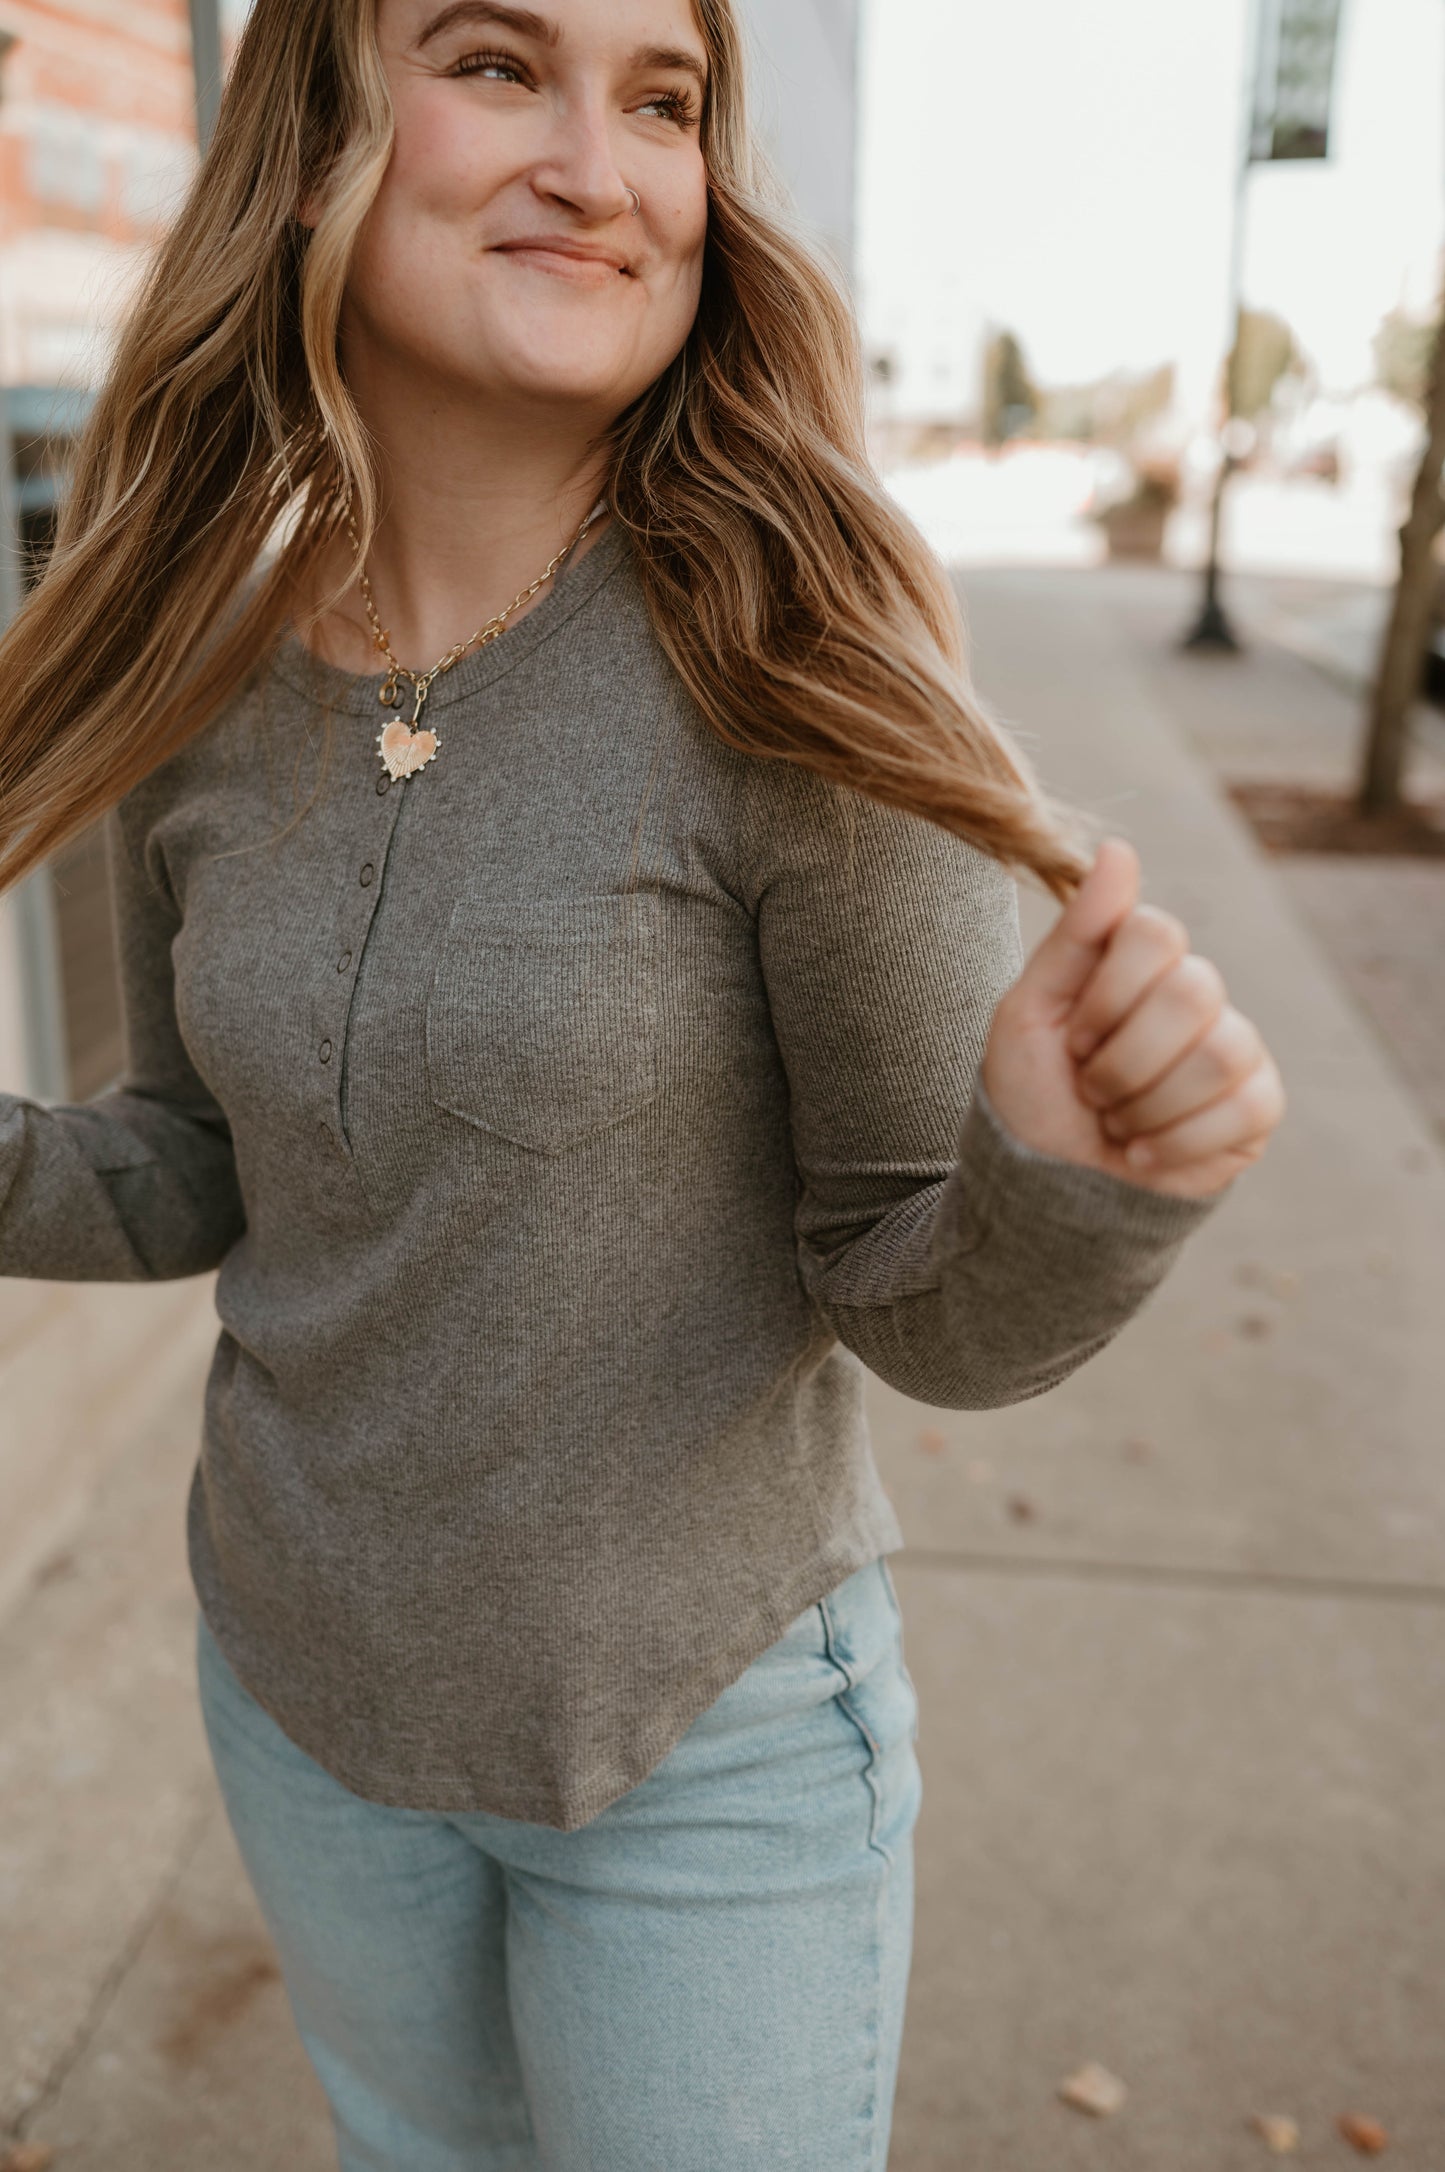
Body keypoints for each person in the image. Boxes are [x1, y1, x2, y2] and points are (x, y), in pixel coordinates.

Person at [0, 0, 1285, 2165]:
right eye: (499, 63)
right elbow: (195, 1170)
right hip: (302, 1699)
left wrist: (1073, 1179)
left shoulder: (794, 647)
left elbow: (919, 1293)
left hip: (702, 1761)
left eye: (666, 99)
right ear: (315, 131)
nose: (606, 164)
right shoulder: (211, 667)